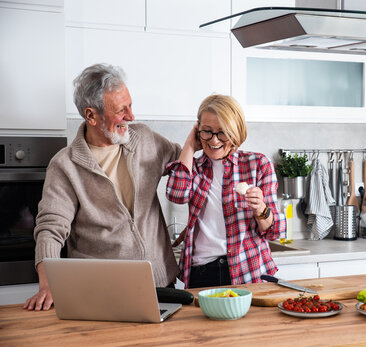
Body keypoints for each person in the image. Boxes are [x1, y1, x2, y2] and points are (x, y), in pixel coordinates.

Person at [23, 63, 182, 311]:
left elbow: (186, 162)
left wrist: (201, 139)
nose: (131, 116)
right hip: (100, 293)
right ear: (91, 116)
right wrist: (48, 283)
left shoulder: (145, 139)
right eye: (121, 110)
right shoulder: (65, 165)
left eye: (130, 105)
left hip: (161, 287)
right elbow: (50, 229)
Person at [166, 94, 286, 288]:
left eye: (222, 133)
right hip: (202, 272)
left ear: (235, 132)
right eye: (207, 131)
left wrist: (261, 209)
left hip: (247, 270)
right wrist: (189, 145)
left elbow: (274, 231)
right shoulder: (194, 168)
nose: (214, 141)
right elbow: (176, 195)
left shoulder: (257, 164)